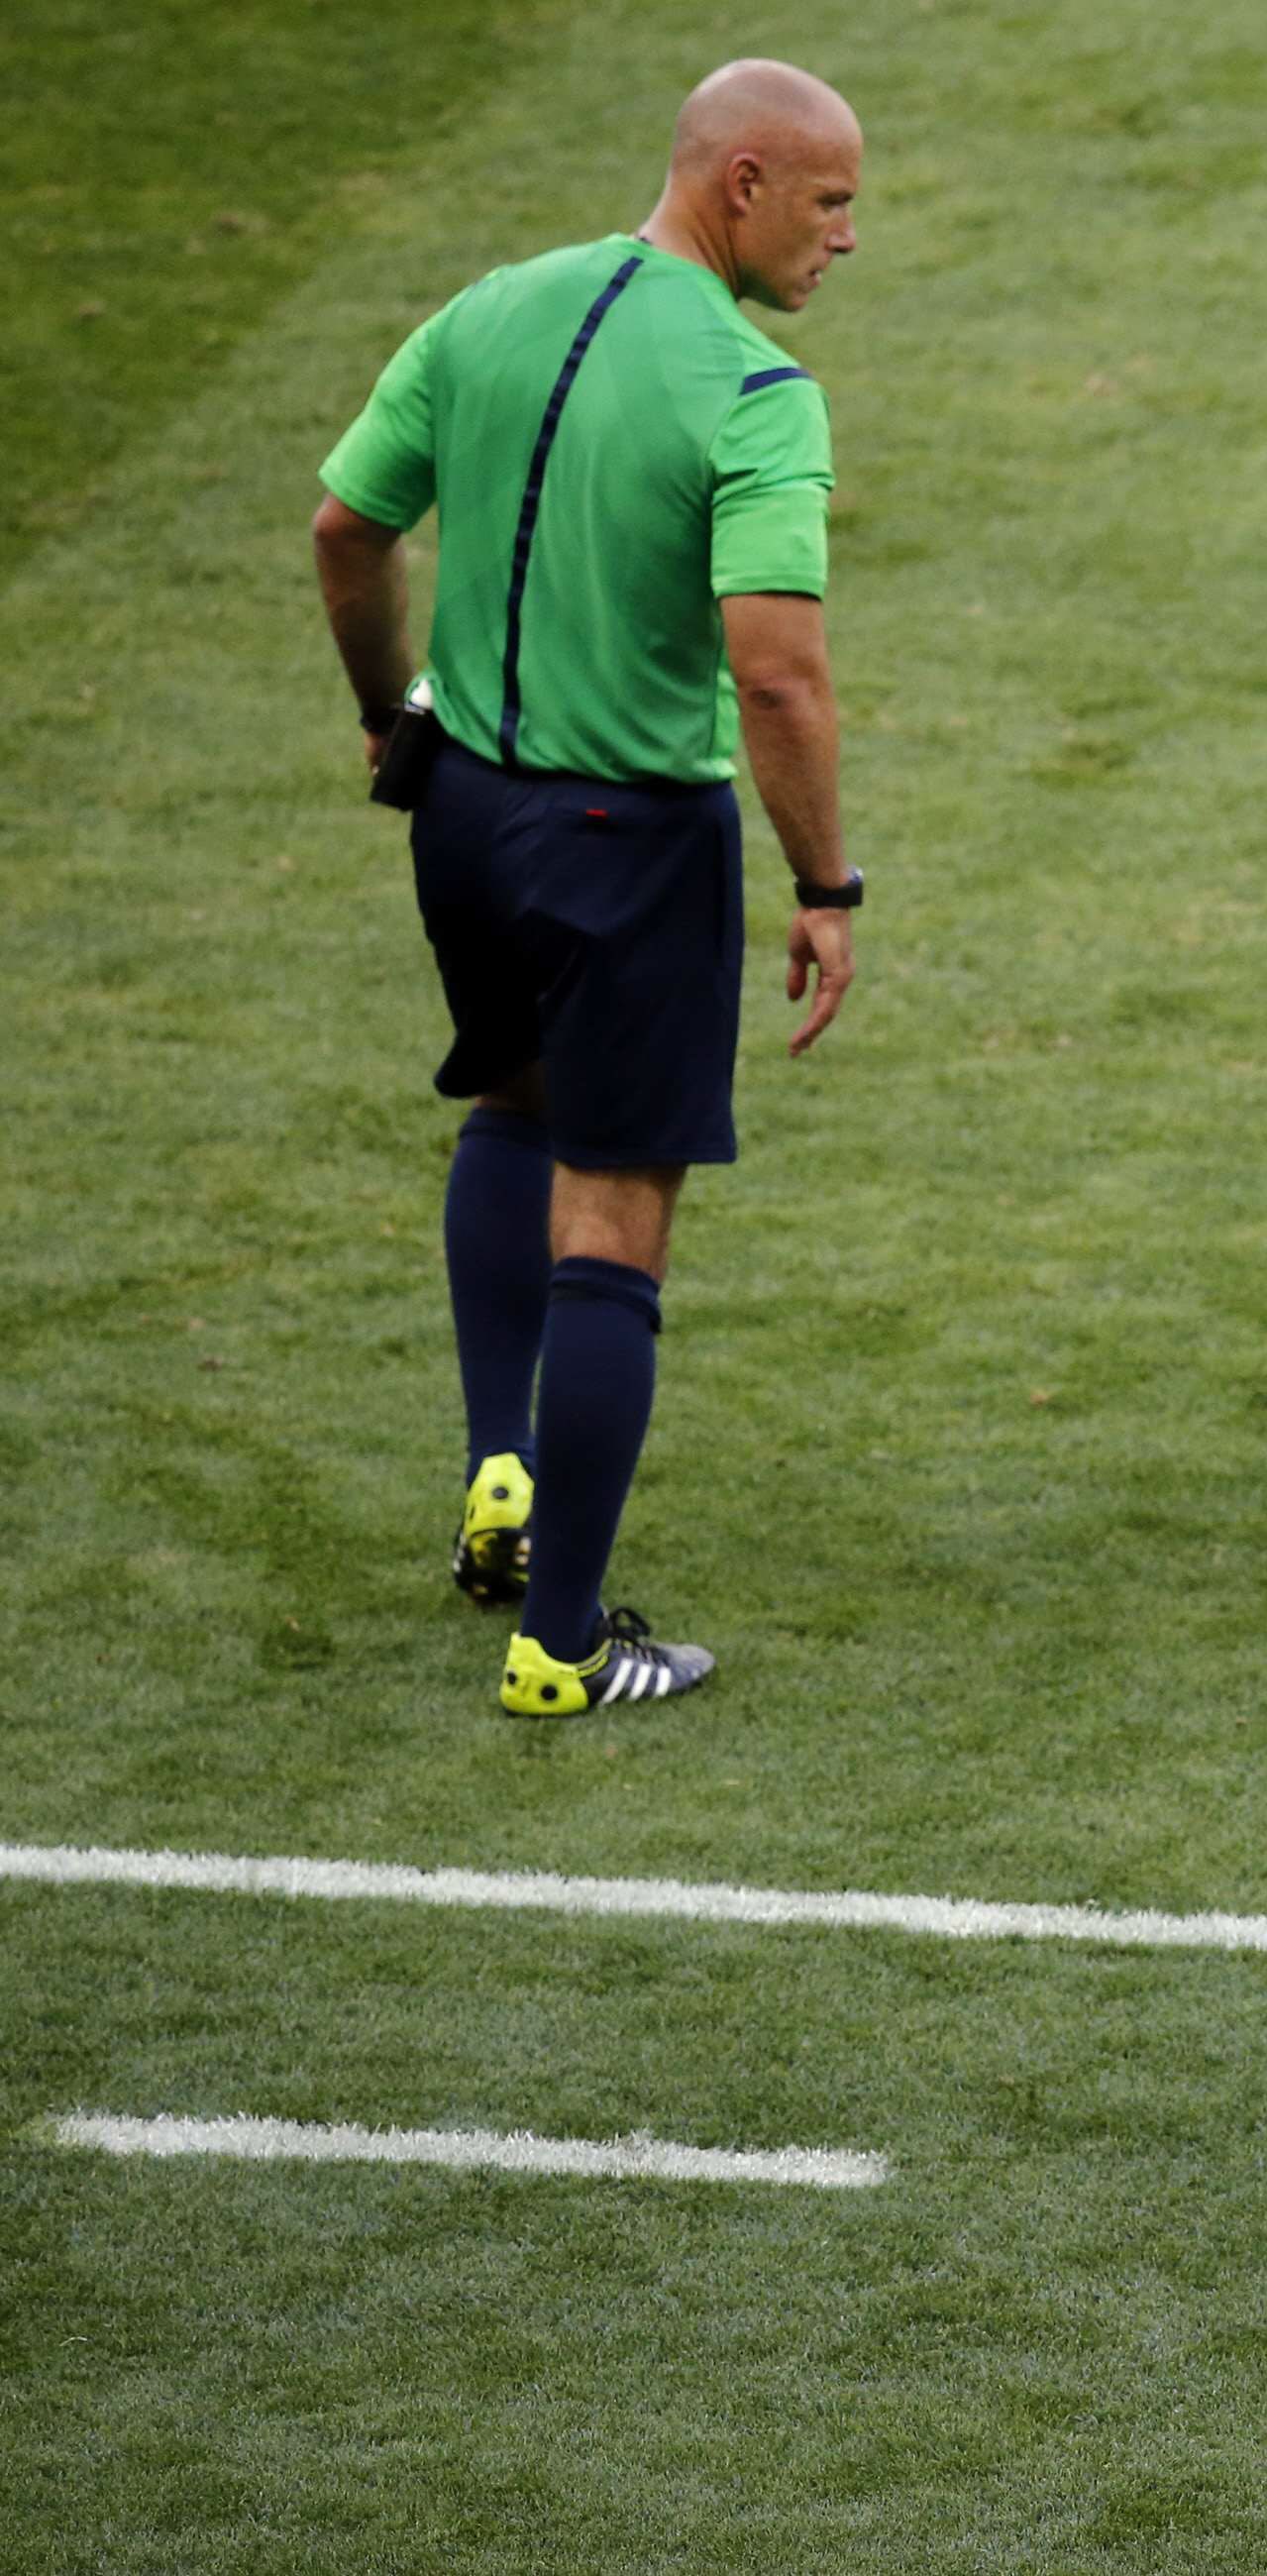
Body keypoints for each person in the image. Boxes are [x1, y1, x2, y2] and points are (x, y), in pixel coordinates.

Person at [311, 59, 871, 1717]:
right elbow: (777, 681)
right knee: (618, 1215)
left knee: (512, 1100)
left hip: (464, 814)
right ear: (746, 179)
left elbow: (349, 527)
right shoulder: (757, 393)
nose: (847, 239)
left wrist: (384, 710)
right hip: (629, 839)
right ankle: (562, 1644)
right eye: (832, 202)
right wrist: (826, 882)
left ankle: (503, 1470)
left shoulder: (491, 309)